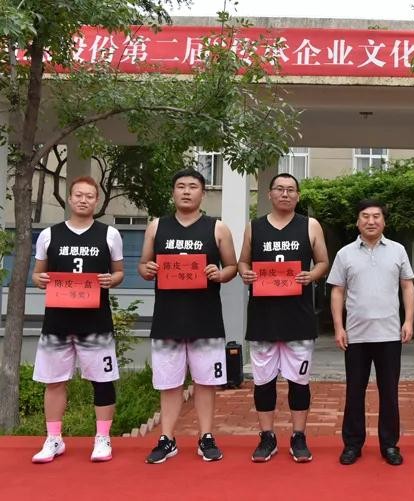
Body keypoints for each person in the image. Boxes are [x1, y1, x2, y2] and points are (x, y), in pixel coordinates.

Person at [138, 169, 238, 464]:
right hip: (167, 318)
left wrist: (219, 274)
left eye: (193, 186)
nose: (186, 191)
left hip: (205, 319)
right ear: (173, 192)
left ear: (202, 193)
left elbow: (232, 267)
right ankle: (167, 438)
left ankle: (206, 436)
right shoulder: (157, 227)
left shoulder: (217, 228)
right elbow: (143, 265)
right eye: (180, 186)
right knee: (169, 382)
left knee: (206, 382)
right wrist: (148, 270)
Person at [30, 176, 124, 463]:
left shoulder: (109, 234)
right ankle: (54, 439)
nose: (83, 200)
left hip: (96, 323)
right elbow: (37, 274)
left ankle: (102, 438)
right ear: (70, 198)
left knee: (102, 381)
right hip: (57, 322)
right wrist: (40, 279)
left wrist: (112, 280)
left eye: (89, 196)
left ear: (97, 200)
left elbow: (119, 272)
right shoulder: (49, 234)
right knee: (53, 381)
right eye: (79, 195)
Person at [238, 173, 329, 463]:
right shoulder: (254, 227)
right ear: (269, 194)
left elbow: (323, 262)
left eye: (291, 190)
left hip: (298, 316)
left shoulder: (310, 225)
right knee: (263, 381)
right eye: (279, 189)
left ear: (298, 195)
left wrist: (311, 275)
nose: (285, 194)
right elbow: (243, 261)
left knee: (299, 381)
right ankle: (267, 436)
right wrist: (245, 273)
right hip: (263, 316)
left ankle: (298, 436)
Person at [327, 200, 414, 466]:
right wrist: (339, 327)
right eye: (365, 216)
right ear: (357, 221)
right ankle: (352, 444)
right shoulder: (345, 254)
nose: (371, 221)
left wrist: (408, 321)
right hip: (356, 335)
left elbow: (407, 287)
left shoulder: (398, 250)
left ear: (384, 221)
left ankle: (389, 445)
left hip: (389, 334)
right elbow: (337, 291)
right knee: (355, 392)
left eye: (376, 216)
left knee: (389, 393)